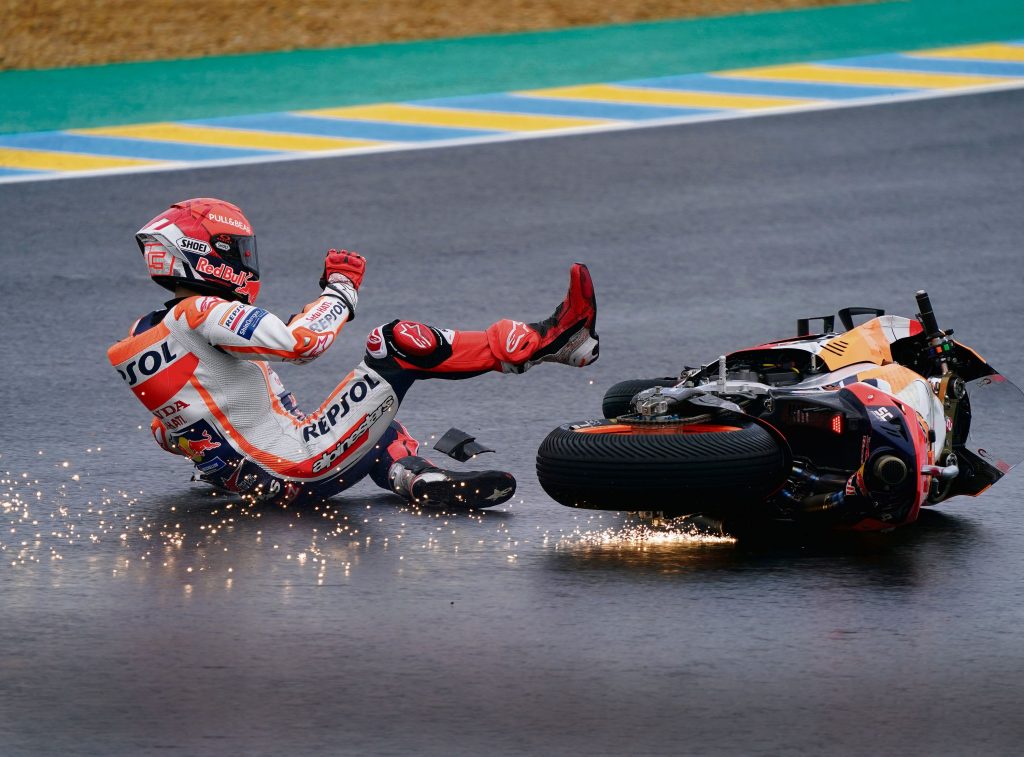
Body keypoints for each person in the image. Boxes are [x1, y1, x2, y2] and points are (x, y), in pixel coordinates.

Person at [107, 198, 599, 508]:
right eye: (235, 249)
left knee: (381, 424)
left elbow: (168, 431)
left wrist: (223, 462)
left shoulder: (146, 334)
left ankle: (417, 479)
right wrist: (340, 292)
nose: (244, 259)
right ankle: (548, 341)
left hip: (258, 480)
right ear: (206, 255)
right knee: (395, 342)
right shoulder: (201, 313)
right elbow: (302, 344)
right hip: (299, 463)